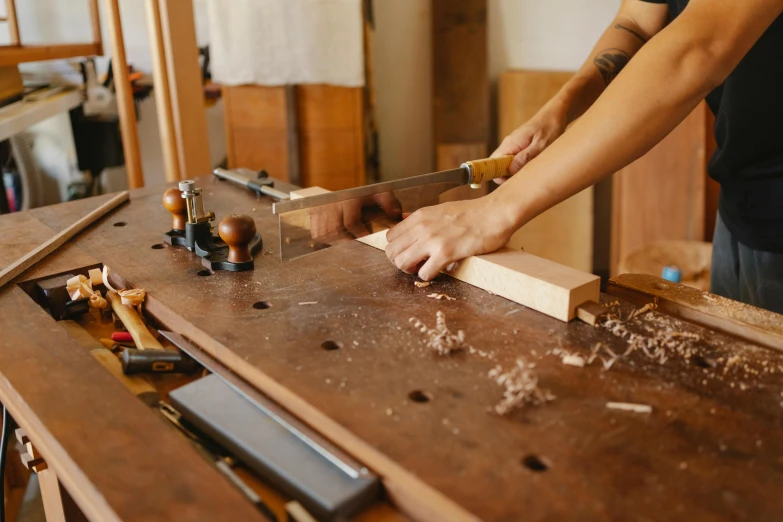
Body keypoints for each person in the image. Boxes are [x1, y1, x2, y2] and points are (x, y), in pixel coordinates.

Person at [384, 0, 783, 314]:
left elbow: (699, 49)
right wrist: (561, 109)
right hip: (741, 202)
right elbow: (639, 23)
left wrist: (494, 212)